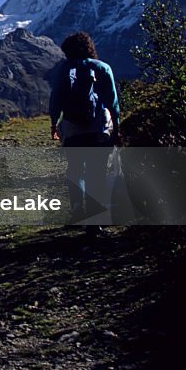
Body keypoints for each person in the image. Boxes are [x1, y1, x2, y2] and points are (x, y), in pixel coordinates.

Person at [49, 32, 120, 225]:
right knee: (96, 171)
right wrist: (117, 126)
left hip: (73, 128)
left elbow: (56, 98)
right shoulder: (102, 68)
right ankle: (95, 219)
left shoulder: (64, 69)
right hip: (99, 128)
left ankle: (78, 208)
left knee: (75, 169)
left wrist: (54, 123)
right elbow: (112, 101)